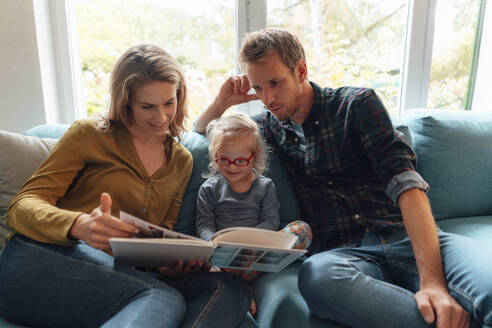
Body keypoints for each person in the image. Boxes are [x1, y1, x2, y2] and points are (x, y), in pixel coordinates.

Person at [195, 28, 492, 328]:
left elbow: (406, 184)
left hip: (405, 235)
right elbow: (205, 131)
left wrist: (433, 284)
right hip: (345, 256)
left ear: (301, 71)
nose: (267, 98)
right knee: (317, 277)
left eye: (275, 83)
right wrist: (222, 103)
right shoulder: (270, 128)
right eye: (258, 88)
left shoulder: (357, 105)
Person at [0, 43, 251, 328]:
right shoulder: (90, 135)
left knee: (228, 289)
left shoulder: (180, 160)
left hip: (120, 276)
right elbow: (20, 207)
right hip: (41, 259)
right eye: (147, 106)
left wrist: (168, 263)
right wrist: (78, 224)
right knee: (161, 298)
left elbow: (158, 238)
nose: (161, 117)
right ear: (125, 101)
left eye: (168, 103)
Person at [195, 112, 312, 315]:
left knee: (302, 229)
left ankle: (241, 277)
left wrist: (252, 242)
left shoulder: (265, 186)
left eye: (240, 161)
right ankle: (239, 282)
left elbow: (271, 220)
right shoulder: (209, 188)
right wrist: (213, 242)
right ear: (214, 155)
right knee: (203, 259)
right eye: (223, 160)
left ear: (254, 156)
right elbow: (204, 224)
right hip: (224, 254)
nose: (232, 167)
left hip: (258, 250)